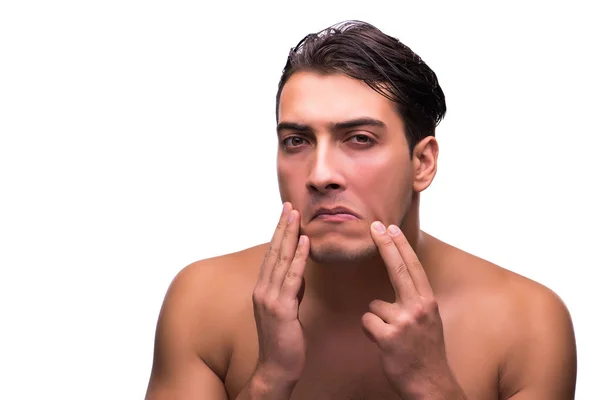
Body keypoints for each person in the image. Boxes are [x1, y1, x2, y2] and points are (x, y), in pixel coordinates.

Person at [144, 20, 577, 399]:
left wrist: (432, 385)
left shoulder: (527, 322)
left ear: (422, 163)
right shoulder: (202, 303)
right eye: (297, 141)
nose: (321, 174)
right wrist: (269, 379)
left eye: (359, 139)